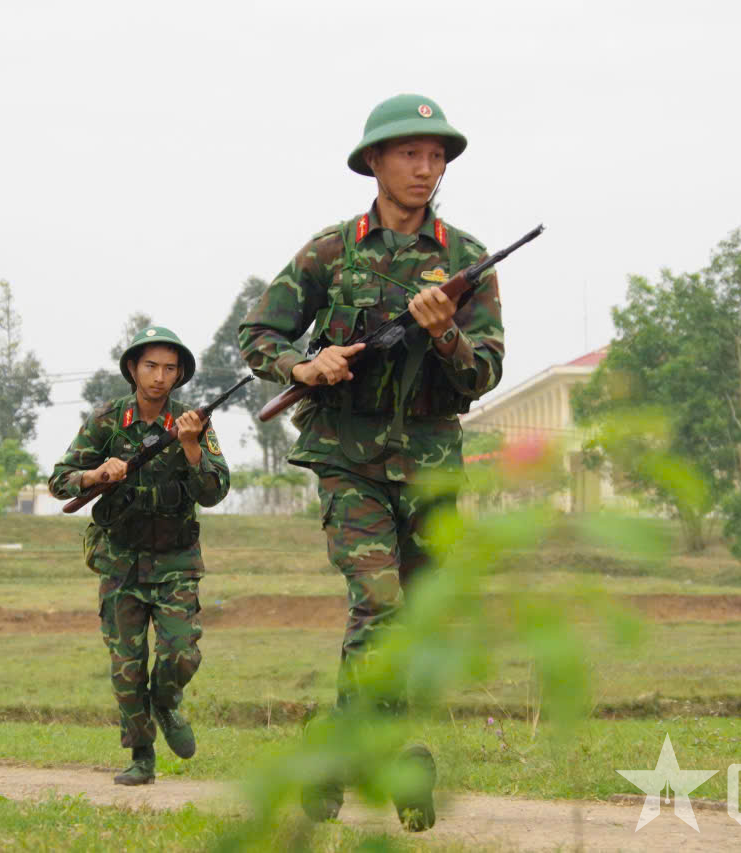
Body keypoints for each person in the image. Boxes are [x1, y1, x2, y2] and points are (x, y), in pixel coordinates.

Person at [238, 94, 505, 830]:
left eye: (436, 156)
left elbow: (483, 374)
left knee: (409, 624)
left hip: (431, 464)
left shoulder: (466, 261)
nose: (426, 168)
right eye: (410, 154)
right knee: (379, 602)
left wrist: (446, 334)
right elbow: (259, 333)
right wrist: (306, 364)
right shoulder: (333, 252)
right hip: (348, 457)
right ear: (375, 163)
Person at [49, 326, 230, 786]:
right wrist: (94, 474)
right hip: (120, 562)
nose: (159, 377)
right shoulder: (108, 420)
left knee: (181, 654)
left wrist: (191, 446)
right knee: (127, 668)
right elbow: (59, 481)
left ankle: (167, 703)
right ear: (133, 368)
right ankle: (142, 756)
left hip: (176, 562)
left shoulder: (194, 421)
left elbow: (214, 491)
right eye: (151, 366)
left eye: (170, 368)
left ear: (180, 375)